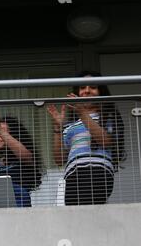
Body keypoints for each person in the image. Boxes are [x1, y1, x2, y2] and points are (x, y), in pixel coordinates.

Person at [47, 71, 126, 205]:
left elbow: (105, 142)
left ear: (101, 92)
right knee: (77, 217)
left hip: (98, 170)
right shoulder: (71, 126)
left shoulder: (108, 116)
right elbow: (59, 159)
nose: (87, 91)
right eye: (82, 88)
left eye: (93, 87)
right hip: (72, 174)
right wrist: (58, 128)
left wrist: (82, 112)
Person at [0, 110, 42, 207]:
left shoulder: (21, 156)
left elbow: (25, 156)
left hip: (18, 204)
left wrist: (0, 130)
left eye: (2, 132)